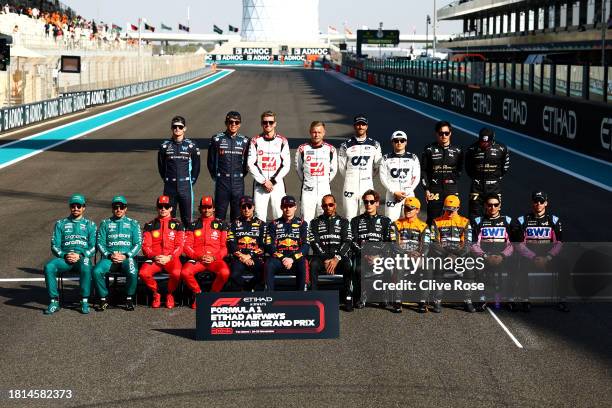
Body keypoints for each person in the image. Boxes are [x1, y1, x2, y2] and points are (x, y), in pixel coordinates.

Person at [514, 191, 567, 312]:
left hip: (549, 258)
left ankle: (562, 299)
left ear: (546, 203)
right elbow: (519, 244)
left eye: (541, 201)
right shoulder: (522, 220)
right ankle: (525, 300)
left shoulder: (554, 220)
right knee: (520, 266)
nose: (538, 203)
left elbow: (559, 243)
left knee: (564, 266)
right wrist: (533, 257)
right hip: (530, 258)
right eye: (536, 201)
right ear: (532, 203)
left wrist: (548, 257)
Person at [43, 194, 97, 315]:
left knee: (86, 264)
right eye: (73, 206)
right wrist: (64, 254)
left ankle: (84, 301)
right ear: (70, 207)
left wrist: (81, 255)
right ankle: (54, 301)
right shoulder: (60, 224)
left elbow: (94, 246)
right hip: (64, 259)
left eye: (79, 206)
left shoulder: (91, 225)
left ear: (84, 207)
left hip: (81, 257)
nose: (76, 208)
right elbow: (54, 246)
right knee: (49, 267)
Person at [350, 189, 398, 311]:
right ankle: (362, 297)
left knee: (388, 267)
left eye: (372, 202)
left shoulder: (386, 221)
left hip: (380, 256)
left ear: (377, 203)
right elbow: (352, 242)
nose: (369, 205)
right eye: (366, 202)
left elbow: (389, 243)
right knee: (358, 269)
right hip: (363, 255)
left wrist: (378, 257)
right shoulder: (355, 221)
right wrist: (365, 255)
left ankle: (384, 297)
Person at [92, 196, 142, 312]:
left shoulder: (133, 223)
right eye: (116, 207)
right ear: (112, 209)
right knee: (96, 271)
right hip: (109, 257)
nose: (118, 209)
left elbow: (138, 243)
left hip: (126, 257)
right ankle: (103, 299)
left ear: (126, 209)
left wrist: (126, 255)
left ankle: (129, 298)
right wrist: (109, 255)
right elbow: (100, 243)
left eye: (121, 207)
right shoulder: (105, 223)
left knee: (133, 271)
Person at [181, 196, 230, 308]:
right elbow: (186, 246)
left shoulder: (222, 225)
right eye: (204, 207)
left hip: (215, 259)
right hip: (198, 259)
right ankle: (198, 295)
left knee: (225, 273)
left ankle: (212, 296)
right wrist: (198, 256)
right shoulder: (192, 225)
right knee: (185, 272)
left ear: (213, 208)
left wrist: (214, 257)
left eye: (209, 207)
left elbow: (224, 247)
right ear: (199, 208)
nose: (206, 210)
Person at [308, 194, 353, 311]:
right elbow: (314, 242)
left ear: (335, 205)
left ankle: (347, 296)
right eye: (325, 205)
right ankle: (314, 298)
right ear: (322, 207)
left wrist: (336, 258)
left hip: (338, 256)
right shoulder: (314, 222)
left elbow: (347, 241)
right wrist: (324, 258)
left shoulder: (344, 221)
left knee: (348, 265)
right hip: (322, 256)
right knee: (313, 265)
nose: (328, 207)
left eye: (330, 204)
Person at [139, 196, 185, 309]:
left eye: (166, 206)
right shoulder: (150, 225)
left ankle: (170, 294)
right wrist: (155, 257)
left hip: (171, 258)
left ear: (171, 208)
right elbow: (145, 247)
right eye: (160, 206)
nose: (163, 209)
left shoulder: (178, 225)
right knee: (143, 273)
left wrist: (169, 257)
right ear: (157, 208)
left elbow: (180, 246)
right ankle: (156, 293)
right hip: (155, 259)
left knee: (177, 273)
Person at [430, 195, 474, 313]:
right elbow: (434, 243)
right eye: (446, 209)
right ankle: (437, 300)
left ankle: (467, 300)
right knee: (437, 265)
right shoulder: (436, 222)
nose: (449, 212)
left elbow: (468, 244)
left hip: (459, 255)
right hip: (442, 254)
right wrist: (446, 255)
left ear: (458, 208)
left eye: (452, 210)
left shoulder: (465, 222)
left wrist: (456, 256)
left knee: (470, 266)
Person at [471, 193, 513, 311]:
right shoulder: (478, 221)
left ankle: (508, 299)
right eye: (490, 205)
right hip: (484, 257)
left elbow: (512, 244)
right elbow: (474, 244)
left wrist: (503, 255)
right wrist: (485, 256)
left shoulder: (508, 221)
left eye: (496, 205)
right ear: (485, 206)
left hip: (503, 257)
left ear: (500, 206)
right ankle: (482, 297)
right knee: (477, 266)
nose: (493, 208)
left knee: (515, 266)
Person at [247, 111, 291, 221]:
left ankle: (279, 238)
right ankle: (261, 238)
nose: (268, 125)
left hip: (277, 184)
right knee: (259, 216)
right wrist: (263, 181)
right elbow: (251, 163)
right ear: (261, 124)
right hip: (260, 184)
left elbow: (286, 165)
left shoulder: (282, 141)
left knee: (279, 214)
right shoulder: (255, 141)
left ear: (275, 123)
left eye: (270, 122)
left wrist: (272, 181)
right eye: (265, 122)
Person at [158, 115, 201, 226]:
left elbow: (196, 166)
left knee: (187, 219)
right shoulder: (164, 146)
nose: (177, 129)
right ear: (171, 128)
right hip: (169, 186)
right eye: (175, 127)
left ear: (184, 128)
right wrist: (167, 179)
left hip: (185, 186)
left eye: (180, 127)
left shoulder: (192, 145)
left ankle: (186, 243)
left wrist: (191, 181)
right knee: (168, 219)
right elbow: (161, 166)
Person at [338, 114, 383, 220]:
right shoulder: (345, 145)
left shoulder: (375, 145)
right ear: (354, 126)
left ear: (367, 126)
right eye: (358, 124)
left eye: (363, 124)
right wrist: (351, 177)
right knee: (350, 217)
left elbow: (377, 165)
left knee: (367, 215)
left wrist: (368, 176)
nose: (361, 127)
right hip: (350, 185)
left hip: (367, 184)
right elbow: (341, 167)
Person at [207, 111, 250, 221]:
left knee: (237, 216)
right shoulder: (217, 139)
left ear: (240, 124)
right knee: (219, 216)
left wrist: (240, 175)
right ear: (226, 123)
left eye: (236, 122)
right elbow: (210, 162)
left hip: (238, 183)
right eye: (231, 122)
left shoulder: (245, 141)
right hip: (222, 182)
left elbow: (246, 164)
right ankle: (219, 238)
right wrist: (216, 176)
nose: (233, 124)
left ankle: (233, 238)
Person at [421, 121, 463, 225]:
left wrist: (452, 182)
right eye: (441, 133)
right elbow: (424, 170)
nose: (443, 136)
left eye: (446, 133)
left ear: (450, 133)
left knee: (452, 219)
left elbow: (459, 170)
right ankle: (431, 241)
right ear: (436, 134)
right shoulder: (429, 149)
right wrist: (426, 189)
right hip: (434, 190)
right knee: (432, 220)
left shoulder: (458, 151)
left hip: (451, 189)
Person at [295, 121, 337, 223]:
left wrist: (325, 181)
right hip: (308, 190)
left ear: (324, 133)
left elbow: (333, 170)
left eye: (319, 132)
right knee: (306, 221)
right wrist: (308, 180)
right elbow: (298, 168)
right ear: (310, 132)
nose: (316, 135)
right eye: (314, 132)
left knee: (325, 220)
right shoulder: (302, 149)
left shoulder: (331, 149)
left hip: (324, 190)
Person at [265, 196, 309, 291]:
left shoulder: (302, 224)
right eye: (285, 206)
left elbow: (306, 245)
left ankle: (302, 297)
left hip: (295, 258)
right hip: (279, 258)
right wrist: (283, 258)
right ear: (281, 207)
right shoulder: (273, 224)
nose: (288, 208)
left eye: (290, 206)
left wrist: (292, 259)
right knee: (269, 264)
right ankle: (269, 296)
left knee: (303, 263)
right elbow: (269, 245)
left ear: (295, 207)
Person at [395, 197, 431, 313]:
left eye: (411, 208)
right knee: (399, 266)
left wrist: (420, 255)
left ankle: (422, 301)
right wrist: (407, 254)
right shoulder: (395, 224)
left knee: (428, 266)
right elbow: (393, 245)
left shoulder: (424, 226)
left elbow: (426, 245)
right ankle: (397, 301)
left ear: (418, 210)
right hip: (401, 257)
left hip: (417, 257)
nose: (408, 210)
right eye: (406, 208)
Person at [465, 128, 510, 219]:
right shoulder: (471, 149)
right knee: (474, 214)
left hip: (493, 187)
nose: (484, 144)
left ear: (492, 139)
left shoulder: (502, 148)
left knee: (494, 213)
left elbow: (505, 167)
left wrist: (495, 178)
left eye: (487, 142)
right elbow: (468, 168)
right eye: (482, 141)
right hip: (477, 187)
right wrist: (476, 179)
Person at [227, 196, 266, 291]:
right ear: (240, 208)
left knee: (264, 273)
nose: (246, 209)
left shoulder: (261, 224)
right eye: (243, 207)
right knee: (233, 275)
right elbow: (231, 244)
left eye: (249, 206)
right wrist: (243, 257)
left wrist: (249, 256)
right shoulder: (233, 224)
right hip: (239, 258)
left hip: (255, 257)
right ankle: (246, 289)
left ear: (253, 207)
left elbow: (263, 246)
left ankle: (248, 289)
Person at [380, 130, 420, 222]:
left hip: (409, 195)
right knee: (391, 223)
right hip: (392, 195)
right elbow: (383, 178)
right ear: (392, 142)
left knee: (409, 222)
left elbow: (416, 177)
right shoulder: (385, 158)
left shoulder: (413, 158)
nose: (399, 143)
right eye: (396, 140)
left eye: (402, 140)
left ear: (406, 142)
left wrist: (406, 192)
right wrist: (394, 192)